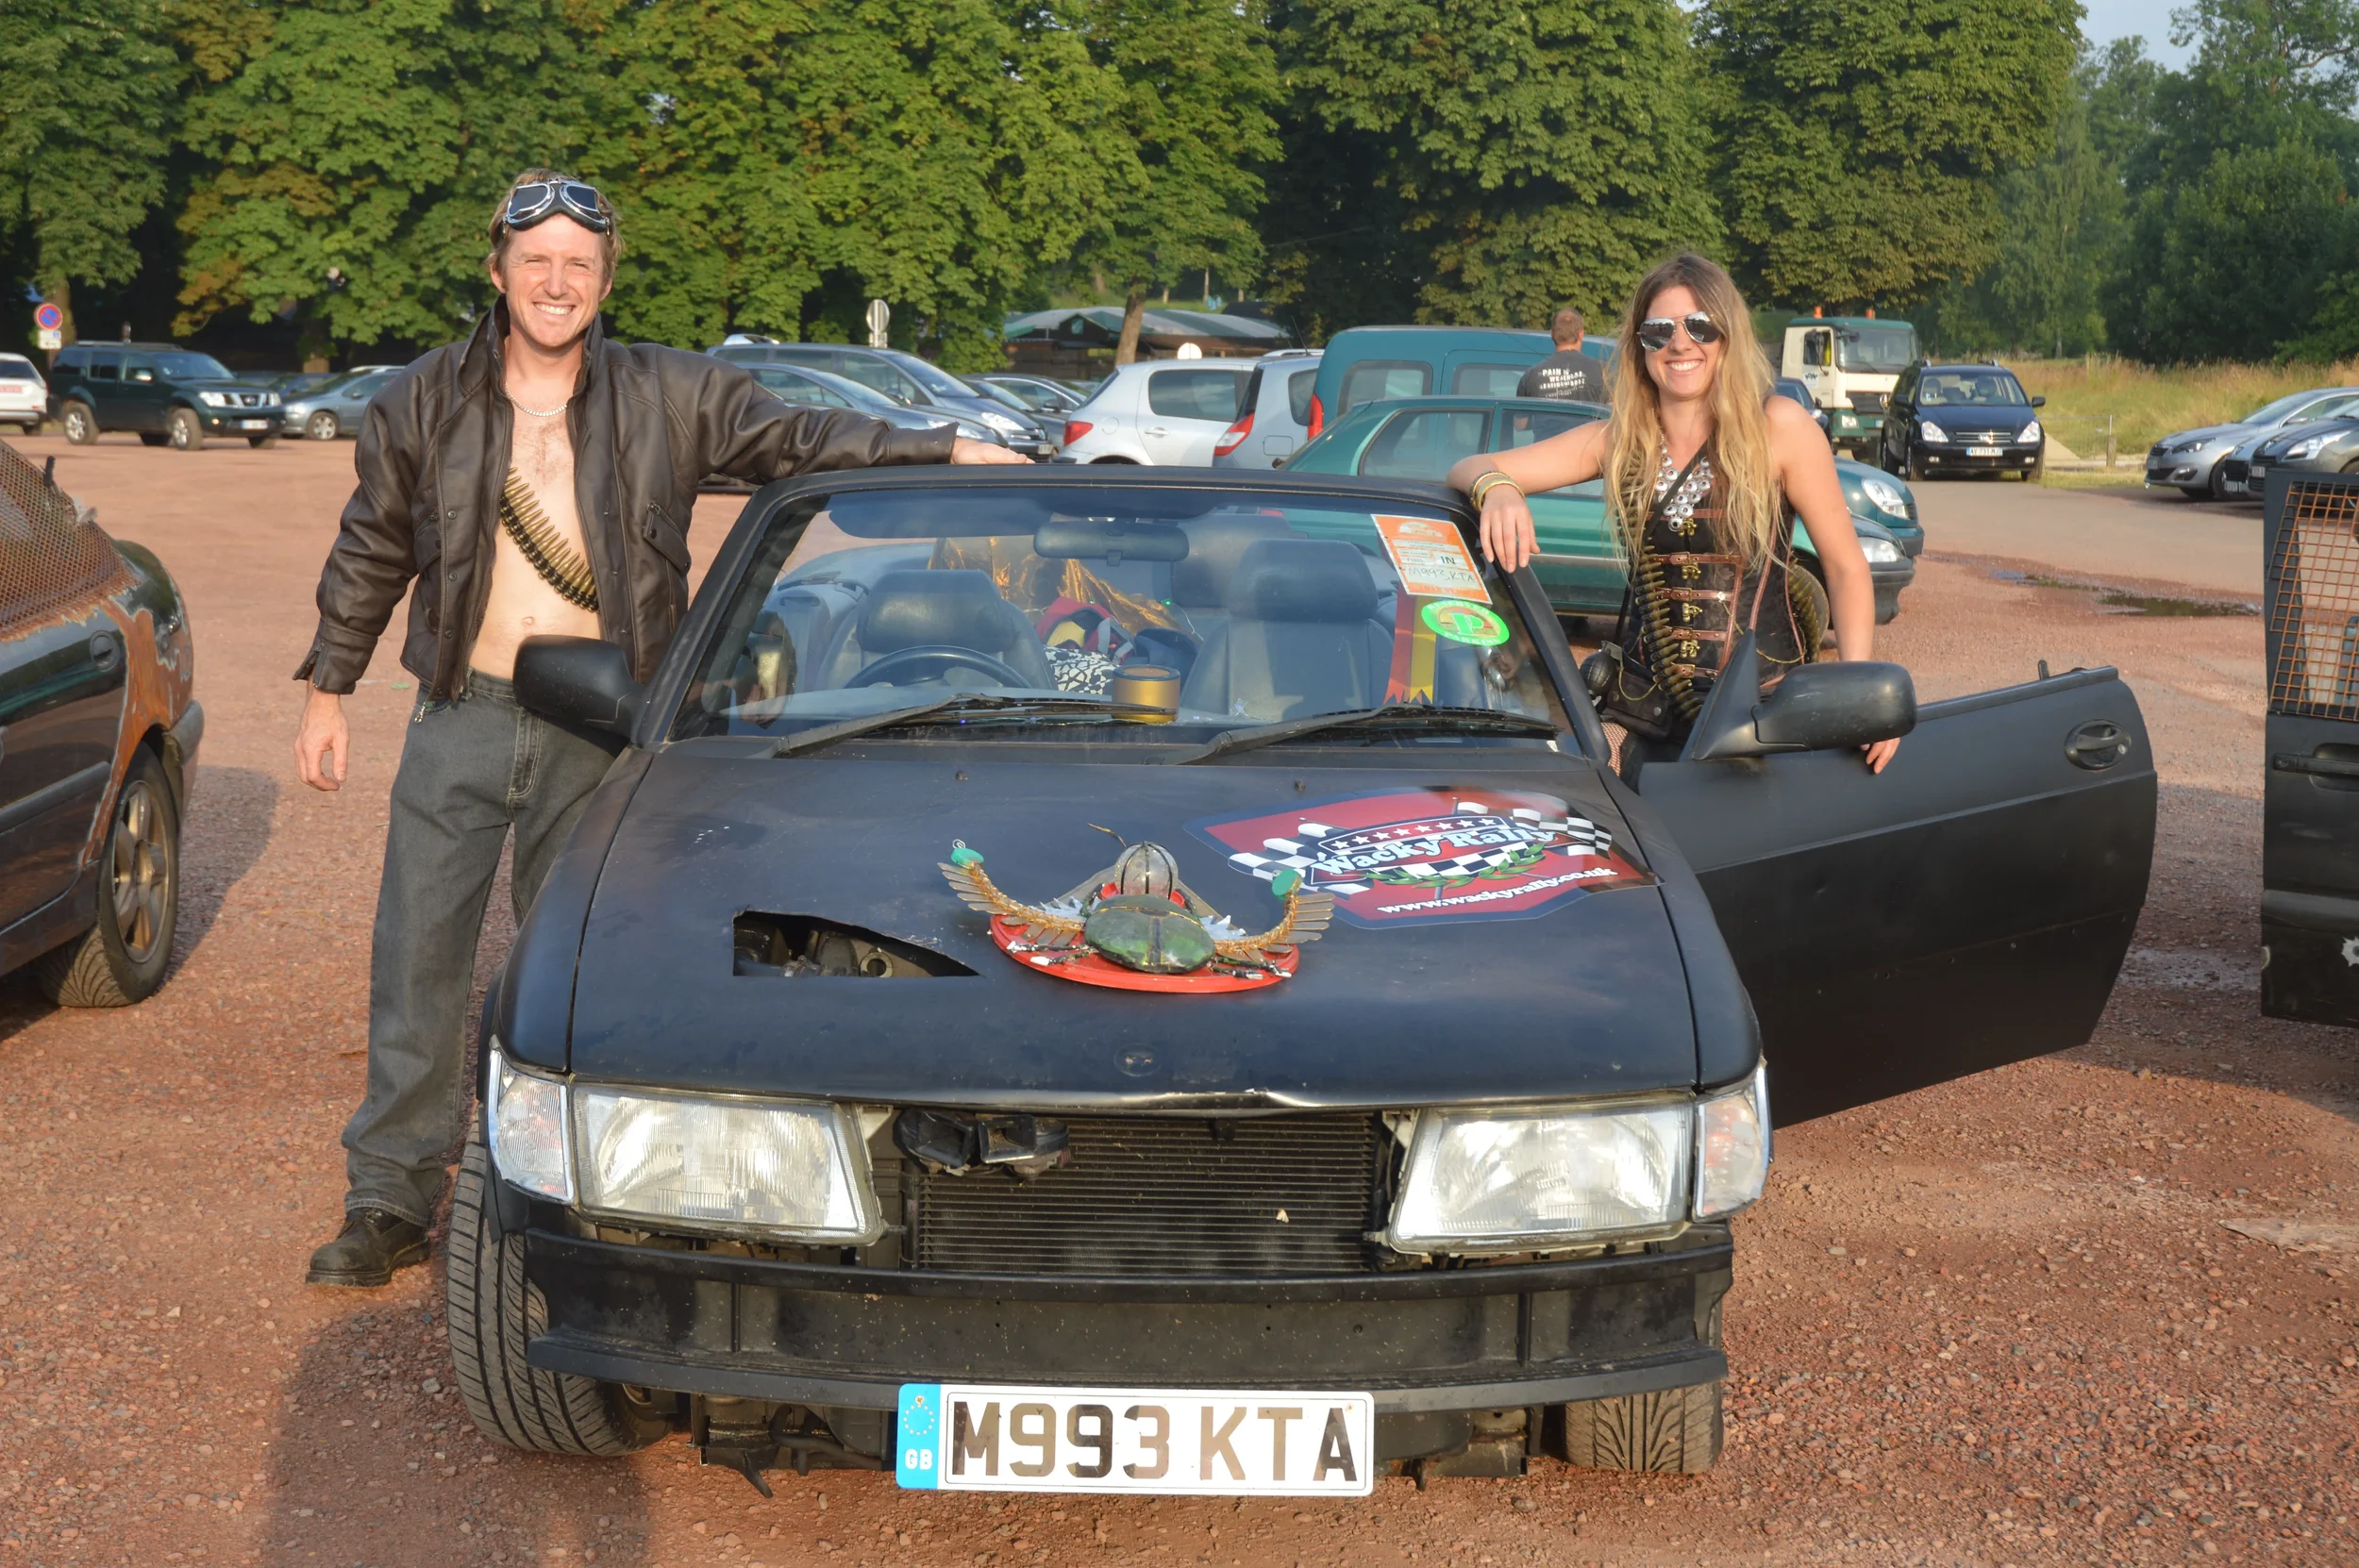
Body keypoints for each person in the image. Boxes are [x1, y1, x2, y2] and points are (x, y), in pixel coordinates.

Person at [292, 170, 1027, 1288]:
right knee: (419, 961)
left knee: (588, 967)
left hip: (607, 720)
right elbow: (371, 545)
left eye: (577, 265)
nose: (555, 281)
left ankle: (559, 1195)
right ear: (496, 272)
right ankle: (389, 1193)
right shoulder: (419, 401)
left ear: (604, 281)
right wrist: (328, 691)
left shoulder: (668, 395)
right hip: (463, 714)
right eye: (534, 260)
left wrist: (944, 447)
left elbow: (799, 437)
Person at [1447, 252, 1899, 780]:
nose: (1680, 343)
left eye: (1700, 326)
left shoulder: (1779, 427)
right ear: (1641, 346)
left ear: (1726, 336)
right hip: (1655, 734)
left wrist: (1860, 698)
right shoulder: (1622, 440)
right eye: (1659, 330)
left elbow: (1845, 568)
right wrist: (1497, 489)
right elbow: (1468, 465)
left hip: (1767, 727)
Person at [1515, 307, 1605, 403]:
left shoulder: (1530, 376)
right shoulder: (1601, 371)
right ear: (1581, 335)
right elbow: (1614, 411)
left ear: (1552, 334)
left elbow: (1520, 417)